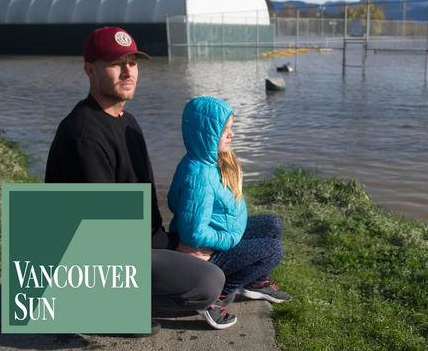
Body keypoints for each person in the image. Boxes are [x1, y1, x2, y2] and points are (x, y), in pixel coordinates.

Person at [44, 26, 232, 332]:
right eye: (116, 64)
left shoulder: (127, 121)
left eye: (133, 62)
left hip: (134, 243)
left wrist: (180, 244)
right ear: (90, 70)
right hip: (90, 262)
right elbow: (100, 235)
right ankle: (99, 307)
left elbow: (144, 215)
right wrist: (179, 253)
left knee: (230, 237)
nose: (127, 71)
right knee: (208, 280)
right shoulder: (84, 136)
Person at [167, 96, 291, 320]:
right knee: (273, 250)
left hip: (221, 237)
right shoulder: (199, 175)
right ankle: (217, 295)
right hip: (207, 254)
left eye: (230, 128)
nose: (231, 134)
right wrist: (229, 238)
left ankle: (255, 282)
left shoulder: (209, 160)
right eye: (225, 130)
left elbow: (175, 202)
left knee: (273, 224)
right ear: (207, 134)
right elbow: (193, 233)